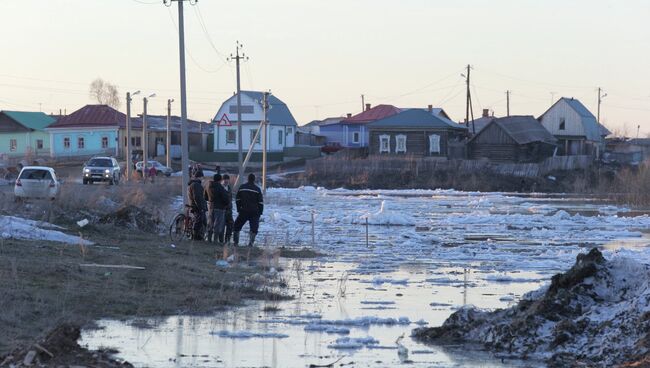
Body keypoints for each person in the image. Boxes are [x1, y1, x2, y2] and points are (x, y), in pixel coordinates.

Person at [233, 173, 264, 247]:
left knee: (236, 226)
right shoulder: (257, 189)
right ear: (254, 179)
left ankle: (236, 243)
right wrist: (260, 212)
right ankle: (251, 243)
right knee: (254, 228)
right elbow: (260, 202)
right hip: (254, 212)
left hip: (243, 210)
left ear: (247, 179)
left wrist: (238, 209)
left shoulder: (242, 187)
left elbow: (237, 199)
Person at [204, 173, 229, 243]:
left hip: (210, 207)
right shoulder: (220, 188)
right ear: (220, 180)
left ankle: (209, 239)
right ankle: (215, 240)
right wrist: (226, 204)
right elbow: (226, 199)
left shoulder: (208, 185)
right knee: (217, 225)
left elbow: (205, 197)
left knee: (210, 223)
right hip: (220, 208)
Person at [187, 176, 207, 241]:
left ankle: (199, 236)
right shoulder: (196, 185)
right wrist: (201, 207)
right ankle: (195, 237)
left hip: (194, 205)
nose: (203, 179)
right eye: (202, 177)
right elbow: (197, 197)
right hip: (197, 206)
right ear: (199, 177)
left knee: (201, 221)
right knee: (199, 221)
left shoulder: (193, 185)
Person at [220, 174, 234, 244]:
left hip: (229, 210)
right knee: (222, 225)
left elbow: (230, 198)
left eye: (227, 179)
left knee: (230, 224)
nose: (226, 181)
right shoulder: (220, 187)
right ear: (222, 180)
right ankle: (221, 240)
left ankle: (227, 240)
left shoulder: (229, 187)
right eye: (225, 179)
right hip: (222, 209)